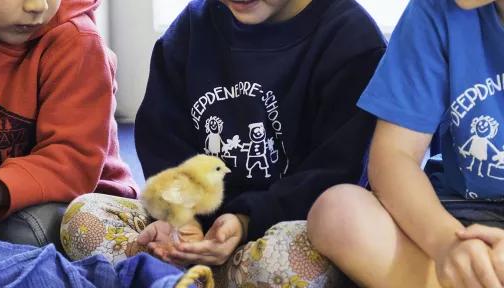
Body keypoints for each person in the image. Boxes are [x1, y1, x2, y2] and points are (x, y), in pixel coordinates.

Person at [63, 0, 385, 285]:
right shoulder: (192, 26)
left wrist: (245, 221)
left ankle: (173, 278)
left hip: (281, 229)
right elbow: (162, 139)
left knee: (297, 263)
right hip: (200, 226)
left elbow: (335, 174)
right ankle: (194, 273)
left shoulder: (351, 40)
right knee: (83, 216)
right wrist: (183, 221)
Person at [307, 0, 504, 287]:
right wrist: (447, 244)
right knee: (338, 213)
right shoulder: (433, 10)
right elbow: (393, 157)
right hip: (458, 215)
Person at [0, 0, 137, 249]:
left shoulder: (78, 42)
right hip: (4, 192)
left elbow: (71, 162)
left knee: (22, 233)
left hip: (87, 199)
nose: (38, 6)